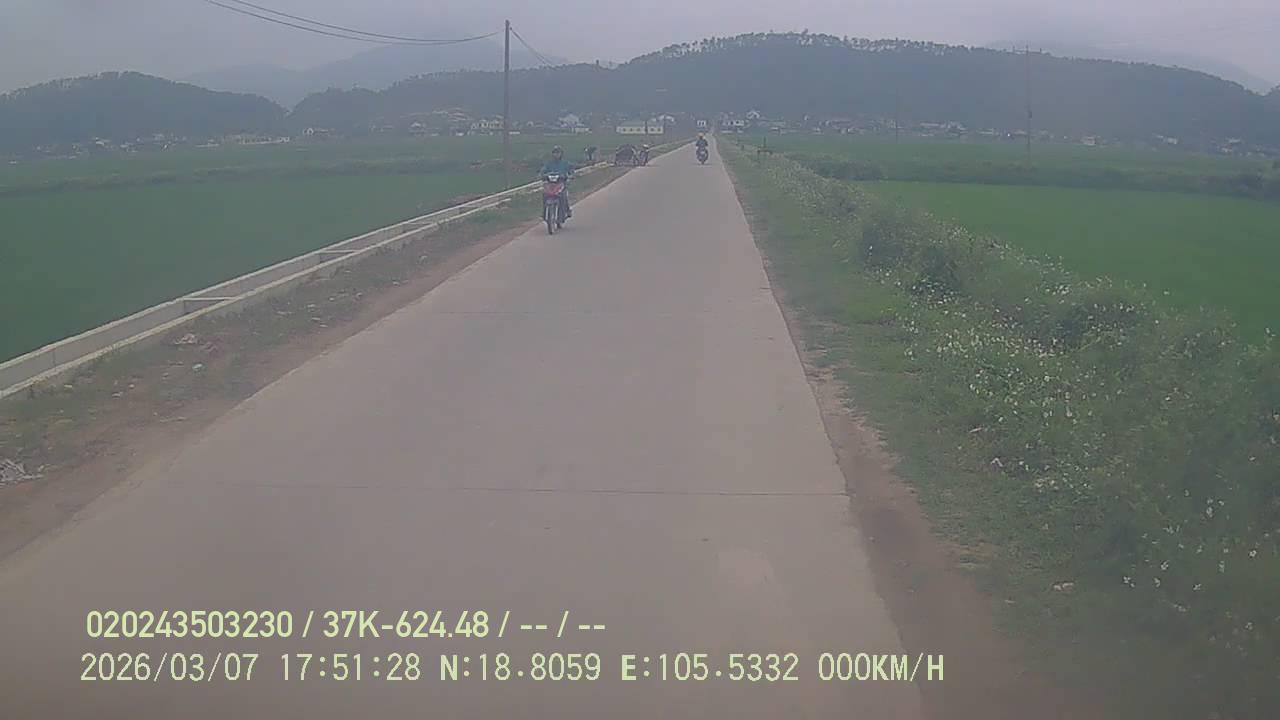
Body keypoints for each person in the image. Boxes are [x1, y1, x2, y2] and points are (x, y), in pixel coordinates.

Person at [539, 146, 574, 217]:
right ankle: (544, 213)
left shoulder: (565, 163)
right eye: (555, 153)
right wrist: (541, 174)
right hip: (550, 184)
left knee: (564, 196)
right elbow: (543, 170)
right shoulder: (549, 163)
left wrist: (571, 175)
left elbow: (571, 170)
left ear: (561, 154)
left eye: (558, 153)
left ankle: (567, 210)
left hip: (561, 183)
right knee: (545, 195)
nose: (556, 155)